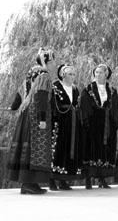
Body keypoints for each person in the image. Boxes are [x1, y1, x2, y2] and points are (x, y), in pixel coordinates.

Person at [7, 48, 56, 194]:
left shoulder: (31, 72)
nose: (55, 64)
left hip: (26, 113)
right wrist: (42, 119)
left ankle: (28, 183)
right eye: (54, 61)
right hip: (36, 115)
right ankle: (29, 183)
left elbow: (20, 92)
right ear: (47, 62)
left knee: (27, 146)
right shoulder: (44, 74)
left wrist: (14, 107)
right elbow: (41, 95)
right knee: (34, 148)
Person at [80, 64, 118, 189]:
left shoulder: (112, 91)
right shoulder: (88, 89)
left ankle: (102, 178)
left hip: (107, 124)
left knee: (105, 150)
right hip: (92, 123)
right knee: (90, 149)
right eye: (96, 72)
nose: (98, 75)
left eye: (101, 72)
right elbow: (84, 106)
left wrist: (114, 124)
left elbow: (115, 108)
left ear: (106, 74)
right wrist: (86, 122)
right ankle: (88, 178)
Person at [49, 65, 83, 191]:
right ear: (63, 74)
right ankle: (52, 179)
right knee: (58, 149)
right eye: (70, 74)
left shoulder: (75, 89)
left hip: (72, 124)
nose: (72, 76)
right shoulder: (55, 87)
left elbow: (77, 105)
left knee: (69, 149)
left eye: (74, 74)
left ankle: (64, 180)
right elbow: (53, 104)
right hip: (60, 123)